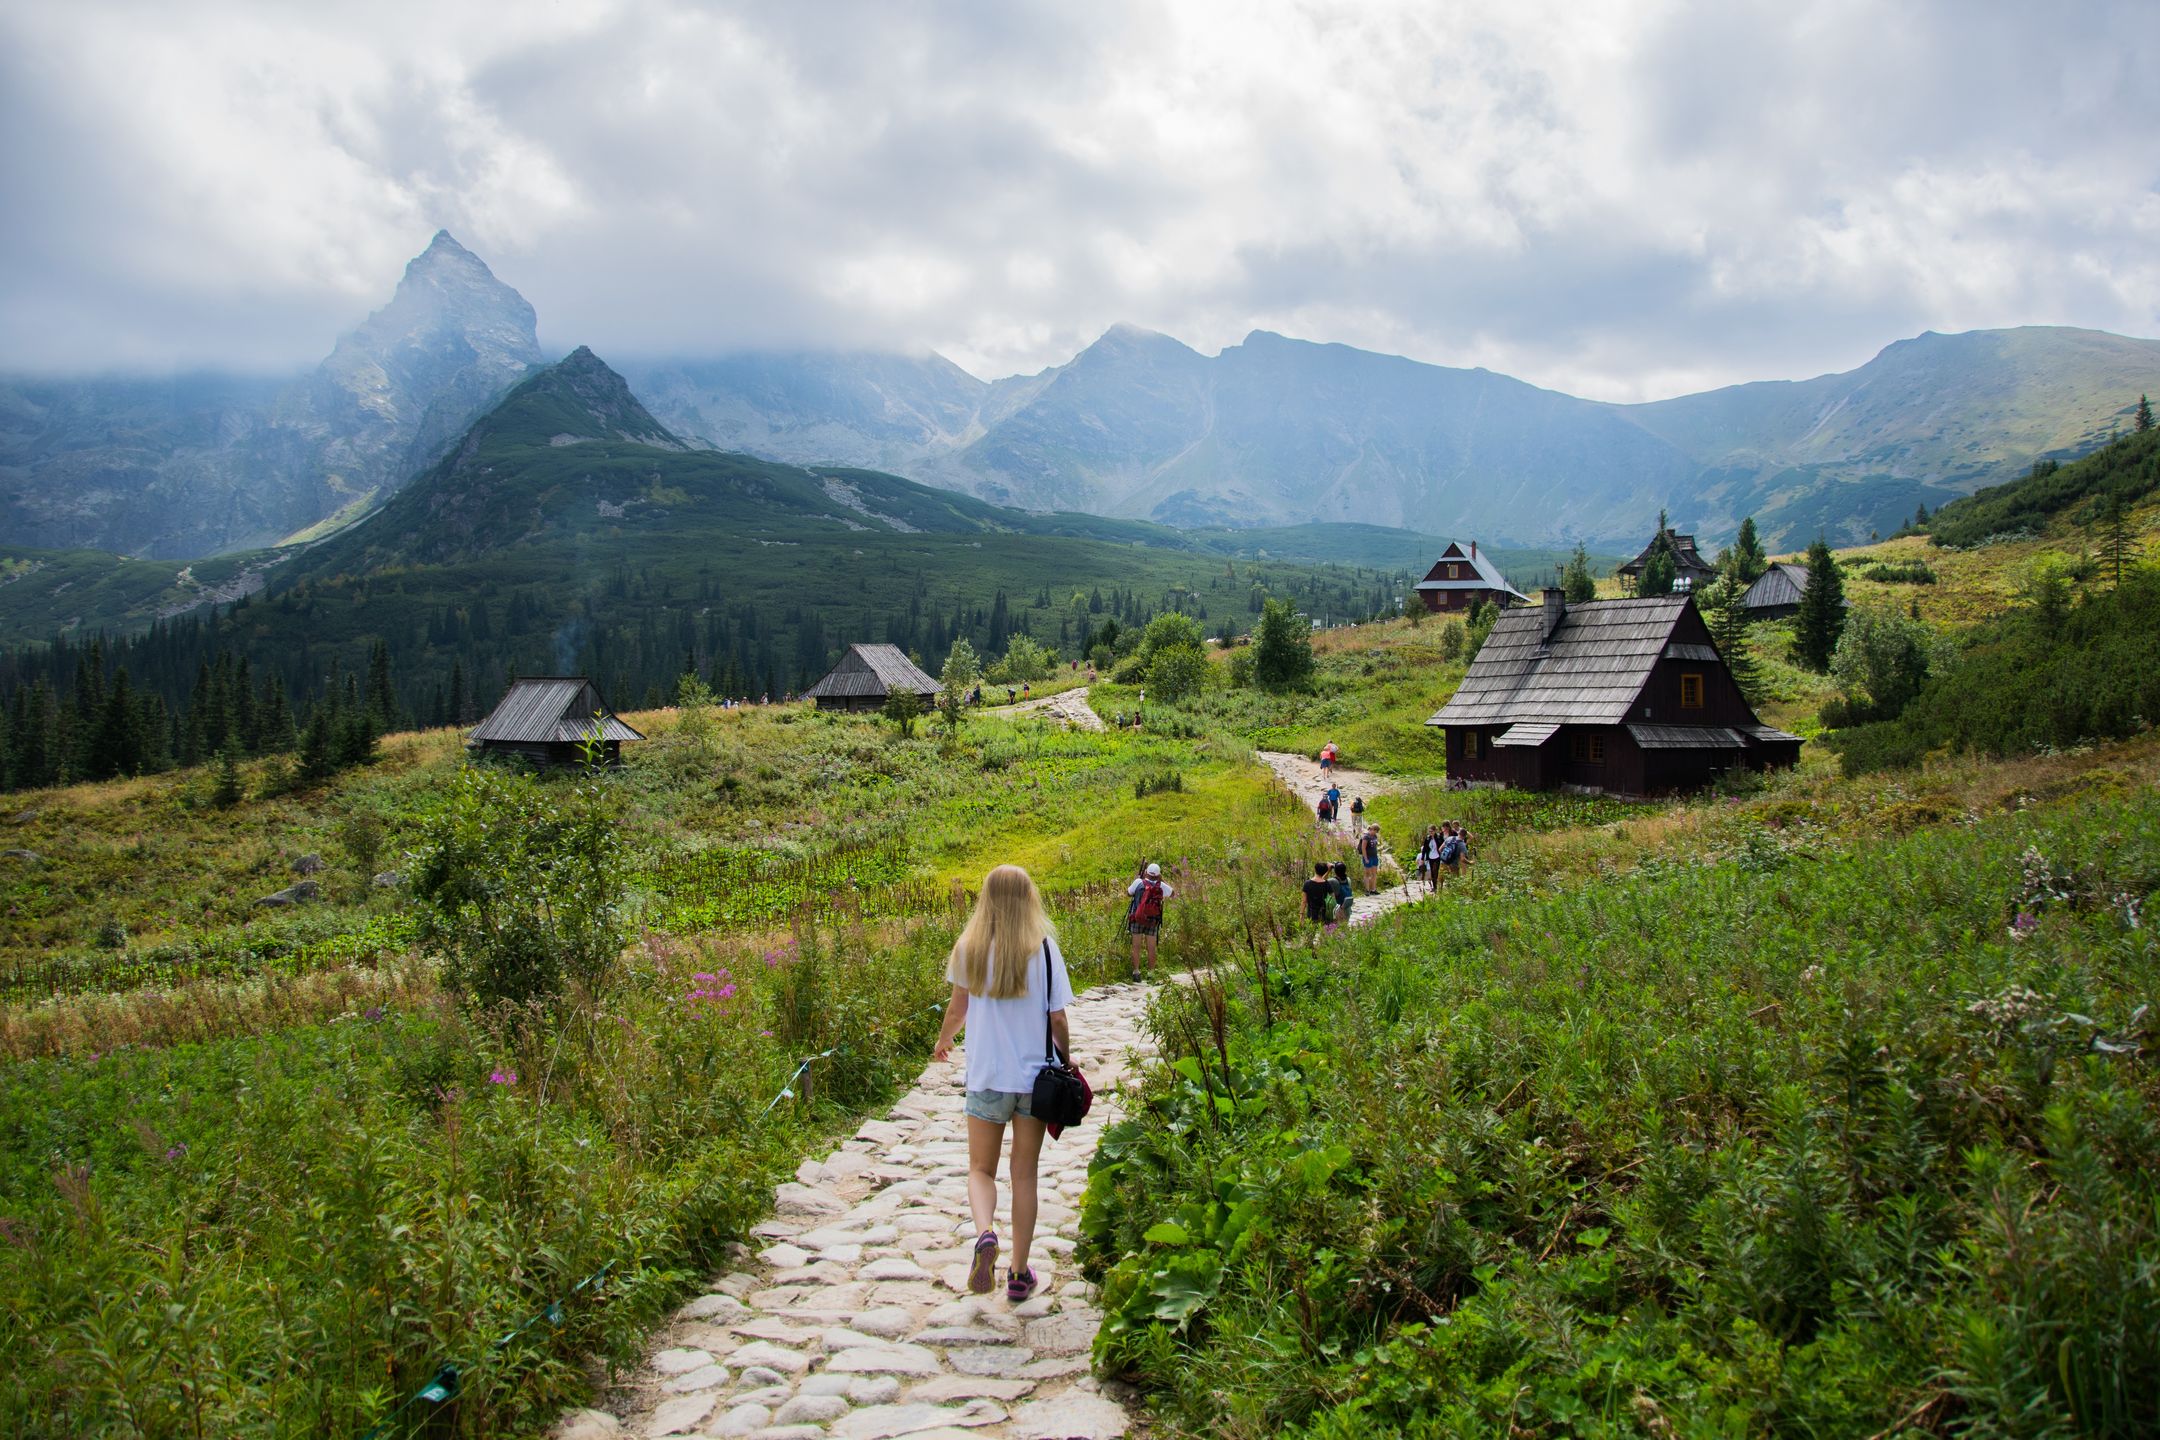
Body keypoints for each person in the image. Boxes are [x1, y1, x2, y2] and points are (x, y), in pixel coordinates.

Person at [930, 864, 1071, 1305]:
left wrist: (944, 1039)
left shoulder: (969, 948)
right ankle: (1018, 1272)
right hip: (1035, 1080)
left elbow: (958, 1011)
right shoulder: (1045, 950)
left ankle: (985, 1233)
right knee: (1024, 1173)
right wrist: (1067, 1058)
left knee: (980, 1169)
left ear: (986, 899)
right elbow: (1058, 1017)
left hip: (987, 1076)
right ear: (1030, 898)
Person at [1126, 862, 1172, 977]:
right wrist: (1161, 881)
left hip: (1137, 918)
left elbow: (1128, 893)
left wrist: (1138, 880)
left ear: (1146, 872)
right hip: (1152, 921)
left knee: (1136, 946)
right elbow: (1173, 893)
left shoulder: (1138, 882)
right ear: (1158, 875)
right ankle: (1151, 973)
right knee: (1151, 948)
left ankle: (1136, 972)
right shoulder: (1160, 885)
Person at [1302, 861, 1335, 925]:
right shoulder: (1326, 883)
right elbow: (1333, 897)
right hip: (1323, 912)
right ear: (1324, 871)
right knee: (1321, 930)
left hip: (1311, 913)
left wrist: (1301, 914)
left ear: (1315, 869)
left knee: (1312, 930)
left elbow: (1304, 901)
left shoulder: (1307, 883)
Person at [1420, 825, 1444, 895]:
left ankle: (1437, 885)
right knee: (1432, 872)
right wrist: (1422, 858)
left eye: (1431, 831)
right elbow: (1425, 849)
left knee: (1435, 870)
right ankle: (1434, 886)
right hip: (1430, 856)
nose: (1430, 833)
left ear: (1435, 831)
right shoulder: (1428, 838)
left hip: (1437, 856)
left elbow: (1443, 844)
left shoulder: (1439, 837)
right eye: (1429, 831)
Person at [1358, 824, 1382, 893]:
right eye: (1376, 831)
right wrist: (1365, 858)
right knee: (1367, 874)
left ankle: (1373, 889)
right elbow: (1363, 848)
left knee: (1374, 873)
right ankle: (1367, 889)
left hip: (1374, 856)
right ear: (1373, 829)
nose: (1376, 833)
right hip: (1368, 857)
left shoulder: (1375, 836)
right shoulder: (1366, 837)